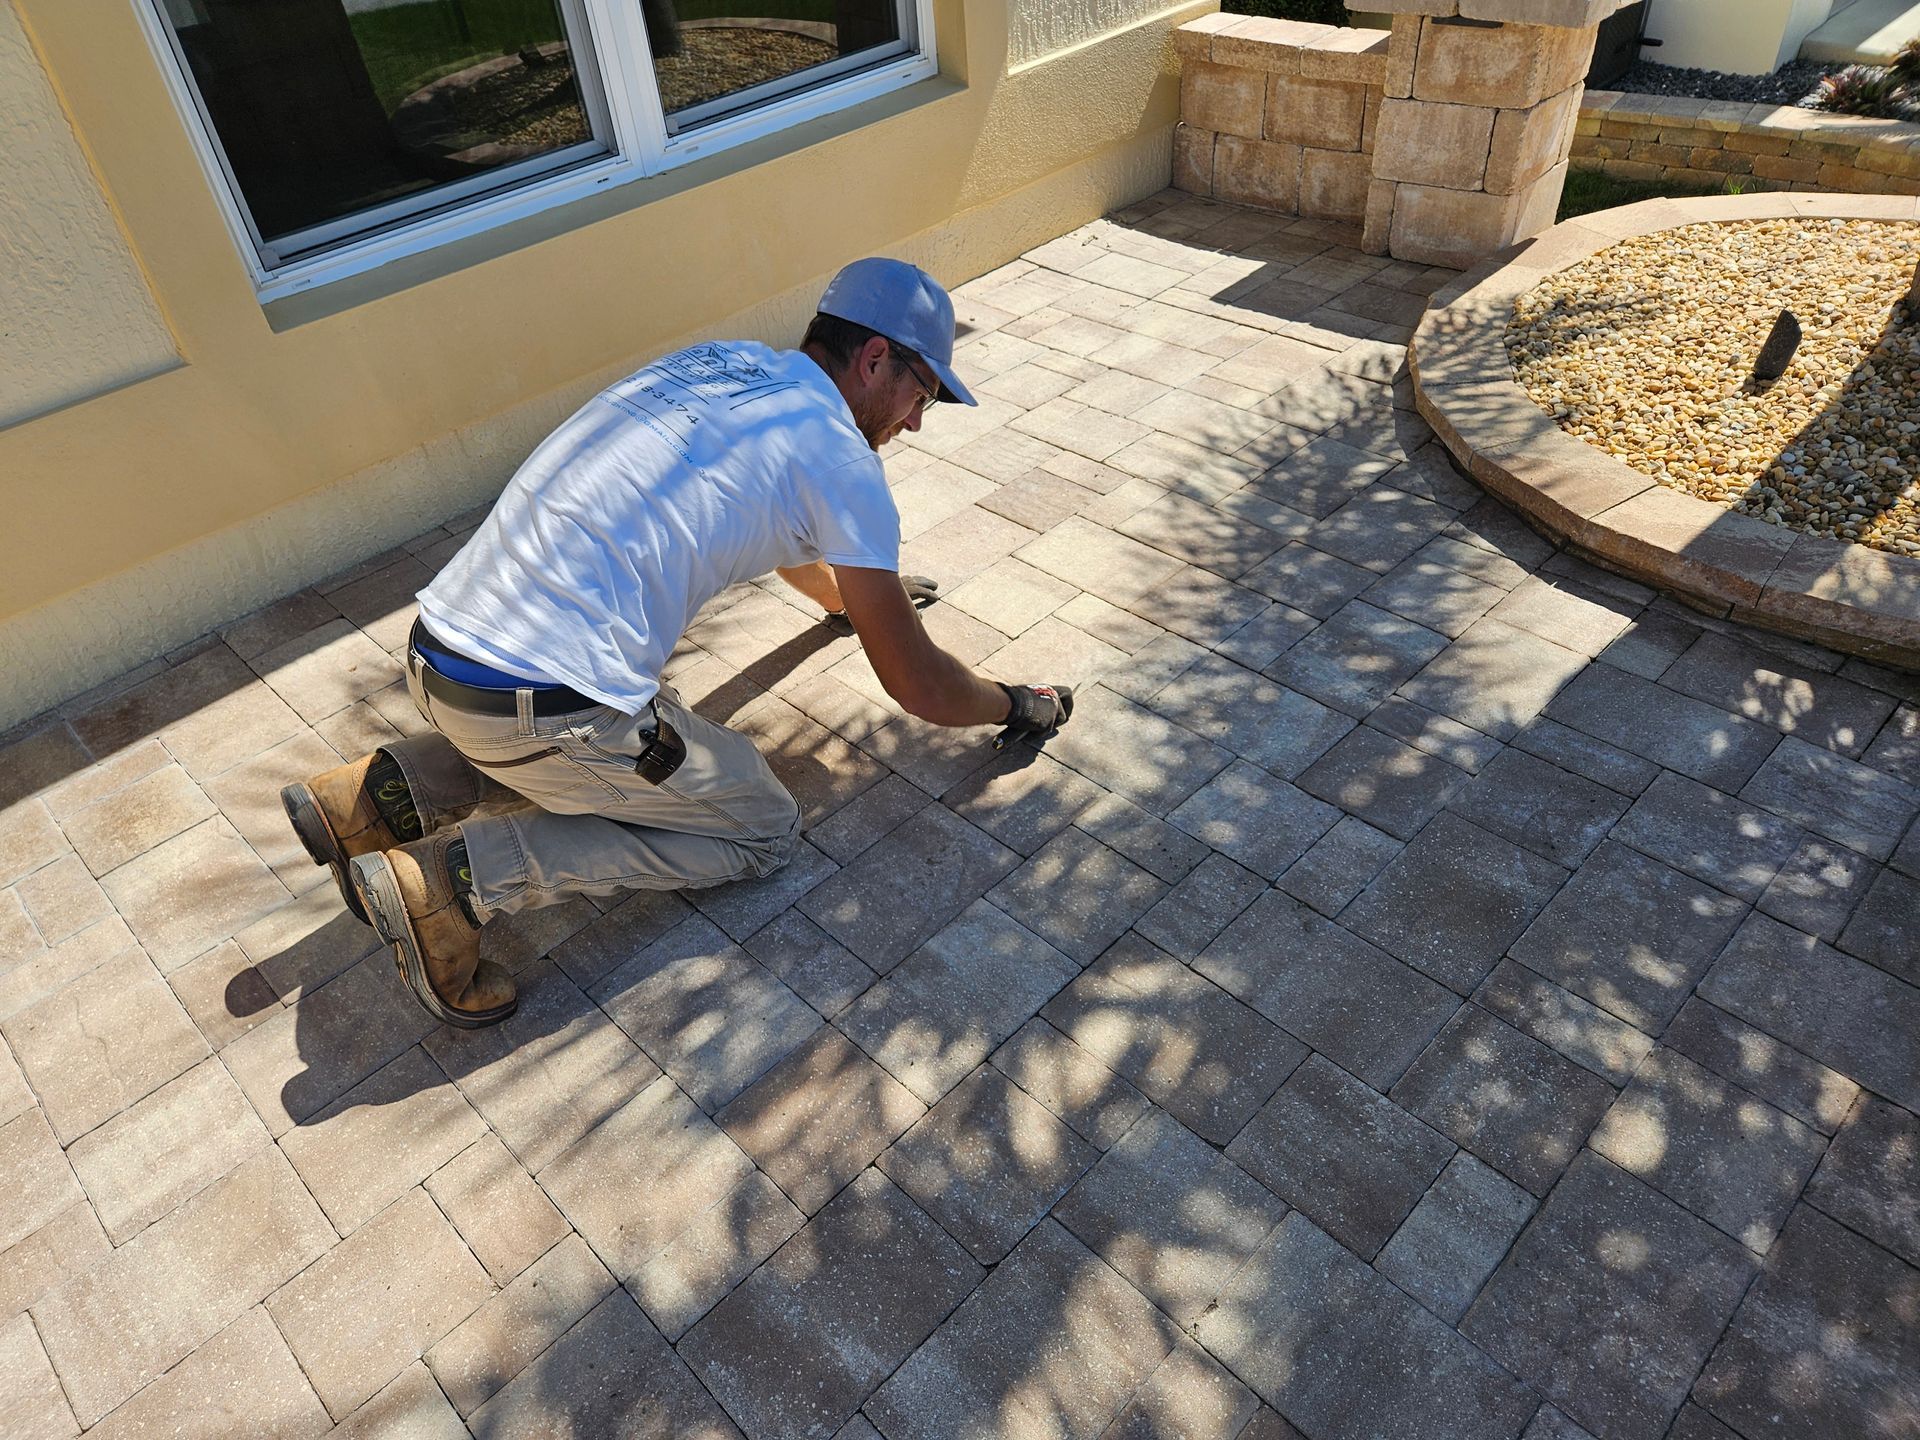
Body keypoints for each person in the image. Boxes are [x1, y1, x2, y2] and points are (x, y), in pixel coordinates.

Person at [281, 258, 1074, 1028]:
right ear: (875, 359)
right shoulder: (842, 462)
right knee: (760, 827)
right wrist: (1017, 703)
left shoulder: (719, 366)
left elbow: (792, 536)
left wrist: (857, 605)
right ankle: (450, 885)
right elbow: (920, 686)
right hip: (543, 708)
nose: (917, 420)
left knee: (565, 737)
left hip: (439, 650)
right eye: (922, 391)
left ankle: (373, 796)